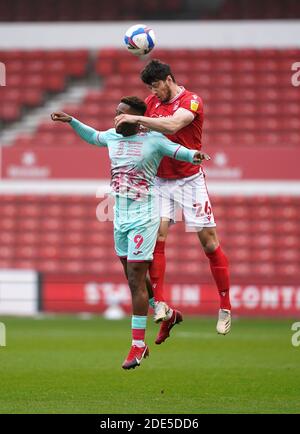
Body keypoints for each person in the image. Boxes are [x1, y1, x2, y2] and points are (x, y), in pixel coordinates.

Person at [51, 96, 210, 370]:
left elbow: (176, 151)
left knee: (136, 277)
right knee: (131, 275)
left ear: (136, 118)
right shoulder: (113, 136)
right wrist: (72, 122)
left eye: (122, 115)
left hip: (144, 215)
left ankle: (138, 345)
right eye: (115, 113)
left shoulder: (153, 139)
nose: (117, 118)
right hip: (120, 215)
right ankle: (168, 314)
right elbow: (94, 136)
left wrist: (194, 155)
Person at [115, 60, 232, 342]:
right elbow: (138, 131)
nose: (153, 91)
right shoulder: (150, 101)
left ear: (168, 79)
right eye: (150, 87)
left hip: (189, 180)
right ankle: (163, 304)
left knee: (209, 242)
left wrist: (139, 119)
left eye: (155, 85)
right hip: (159, 181)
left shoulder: (192, 101)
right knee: (157, 239)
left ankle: (225, 306)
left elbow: (173, 125)